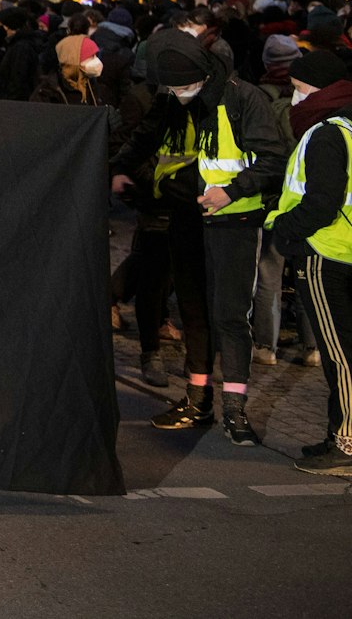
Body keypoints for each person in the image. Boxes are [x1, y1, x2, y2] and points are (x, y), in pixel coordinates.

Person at [111, 30, 286, 444]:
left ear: (203, 75)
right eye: (171, 88)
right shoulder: (174, 96)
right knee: (194, 311)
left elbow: (273, 159)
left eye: (184, 87)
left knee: (229, 314)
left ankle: (235, 409)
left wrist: (232, 192)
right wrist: (115, 167)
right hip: (190, 215)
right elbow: (146, 137)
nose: (178, 94)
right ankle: (197, 399)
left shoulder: (244, 100)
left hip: (235, 222)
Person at [265, 51, 352, 475]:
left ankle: (348, 444)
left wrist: (283, 227)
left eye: (299, 90)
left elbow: (320, 202)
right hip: (345, 251)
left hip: (325, 253)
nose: (293, 98)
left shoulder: (327, 133)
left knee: (340, 355)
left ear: (319, 90)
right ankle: (339, 434)